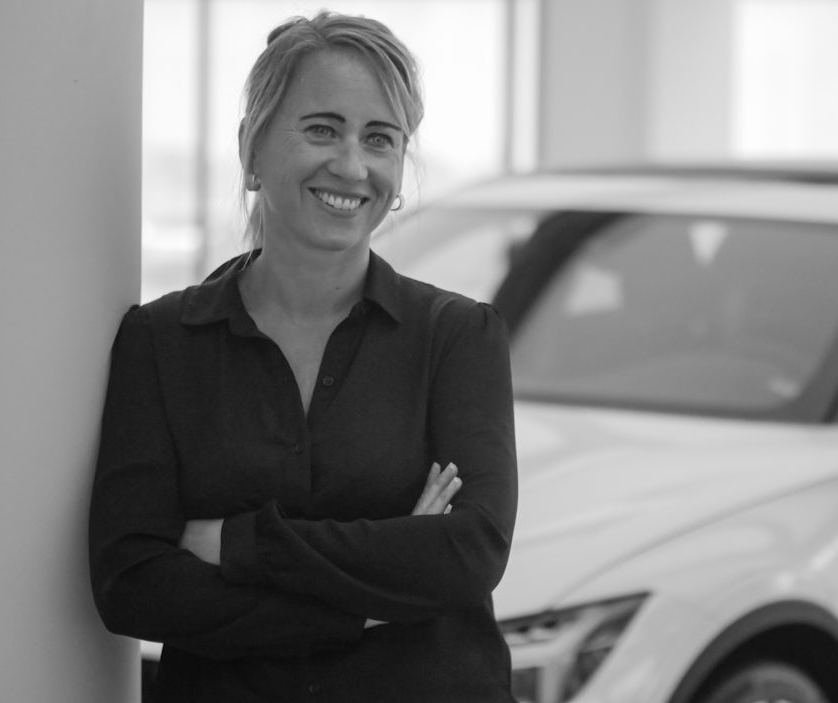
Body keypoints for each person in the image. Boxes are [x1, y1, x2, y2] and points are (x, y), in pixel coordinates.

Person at [87, 11, 518, 703]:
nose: (352, 165)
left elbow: (467, 555)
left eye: (380, 138)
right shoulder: (162, 342)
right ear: (253, 151)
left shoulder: (458, 337)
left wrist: (236, 546)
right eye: (322, 128)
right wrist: (370, 597)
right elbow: (133, 582)